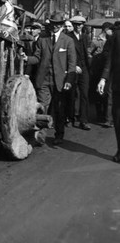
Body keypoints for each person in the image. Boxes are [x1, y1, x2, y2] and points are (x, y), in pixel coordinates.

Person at [23, 11, 76, 145]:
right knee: (42, 107)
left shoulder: (68, 41)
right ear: (50, 24)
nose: (55, 27)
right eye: (53, 24)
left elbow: (71, 63)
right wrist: (26, 59)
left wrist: (69, 80)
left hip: (60, 81)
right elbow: (37, 58)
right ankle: (40, 137)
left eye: (58, 24)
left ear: (62, 25)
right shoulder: (42, 39)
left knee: (59, 109)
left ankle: (59, 134)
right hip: (44, 79)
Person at [98, 26, 120, 162]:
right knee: (118, 119)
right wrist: (103, 78)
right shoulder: (116, 36)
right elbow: (110, 60)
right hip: (119, 84)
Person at [66, 15, 91, 130]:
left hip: (84, 68)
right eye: (76, 24)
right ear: (73, 25)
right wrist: (74, 66)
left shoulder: (86, 37)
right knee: (72, 94)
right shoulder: (68, 37)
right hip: (73, 68)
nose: (78, 27)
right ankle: (70, 117)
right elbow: (66, 54)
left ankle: (83, 120)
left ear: (83, 25)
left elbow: (87, 52)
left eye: (80, 24)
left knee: (84, 94)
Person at [89, 22, 113, 127]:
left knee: (107, 93)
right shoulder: (96, 41)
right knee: (98, 93)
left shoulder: (112, 40)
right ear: (105, 30)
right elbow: (88, 53)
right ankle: (100, 114)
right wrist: (95, 59)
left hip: (108, 70)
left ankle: (106, 116)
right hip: (97, 69)